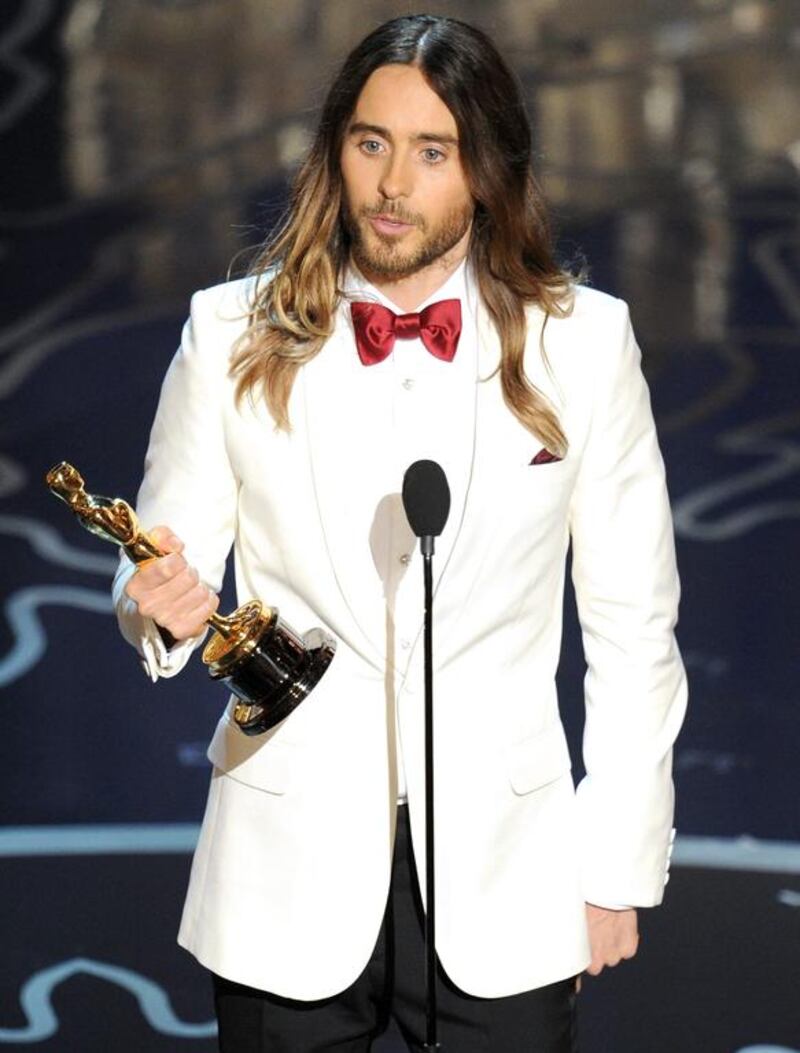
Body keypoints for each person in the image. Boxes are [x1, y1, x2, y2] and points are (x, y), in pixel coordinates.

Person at [113, 14, 688, 1052]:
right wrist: (154, 610)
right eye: (370, 142)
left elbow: (631, 626)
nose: (391, 184)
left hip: (506, 875)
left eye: (433, 152)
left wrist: (614, 866)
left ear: (485, 170)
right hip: (283, 865)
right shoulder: (229, 335)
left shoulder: (584, 344)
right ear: (334, 150)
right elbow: (166, 561)